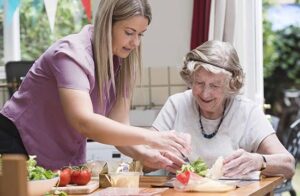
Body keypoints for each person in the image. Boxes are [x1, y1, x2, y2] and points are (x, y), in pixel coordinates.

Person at [0, 0, 190, 170]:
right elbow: (83, 122)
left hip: (56, 150)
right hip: (15, 141)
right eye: (129, 32)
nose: (135, 43)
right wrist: (152, 137)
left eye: (141, 34)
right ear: (107, 24)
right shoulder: (71, 54)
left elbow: (119, 126)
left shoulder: (123, 63)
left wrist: (145, 154)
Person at [152, 40, 295, 179]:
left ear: (231, 85)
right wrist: (160, 156)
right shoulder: (177, 104)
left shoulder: (247, 111)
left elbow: (288, 165)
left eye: (214, 86)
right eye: (199, 82)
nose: (205, 93)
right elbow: (142, 159)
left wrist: (259, 161)